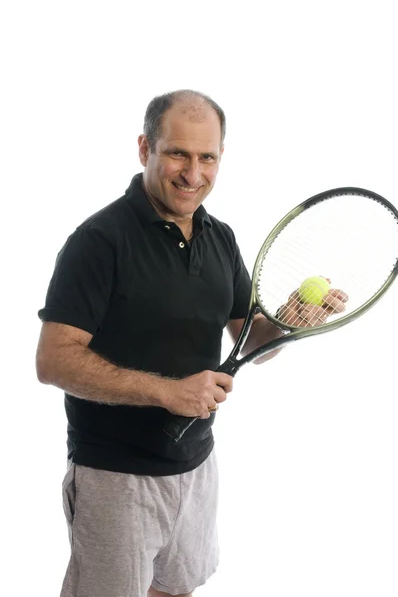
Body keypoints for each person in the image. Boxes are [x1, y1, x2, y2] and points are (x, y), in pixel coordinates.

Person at [36, 89, 346, 597]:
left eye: (208, 157)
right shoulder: (99, 241)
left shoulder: (219, 237)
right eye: (178, 153)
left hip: (197, 464)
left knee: (177, 589)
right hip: (116, 476)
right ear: (145, 149)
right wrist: (166, 391)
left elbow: (254, 338)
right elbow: (52, 361)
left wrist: (288, 321)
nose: (193, 173)